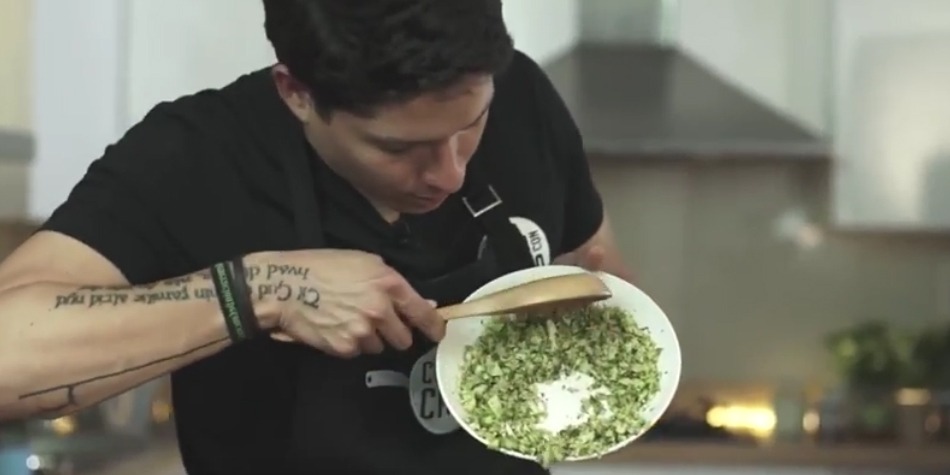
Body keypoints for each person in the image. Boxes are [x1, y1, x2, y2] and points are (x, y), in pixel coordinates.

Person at [0, 0, 631, 473]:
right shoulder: (198, 156)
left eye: (471, 124)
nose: (450, 173)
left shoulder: (525, 98)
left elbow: (589, 259)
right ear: (296, 93)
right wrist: (262, 290)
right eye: (398, 148)